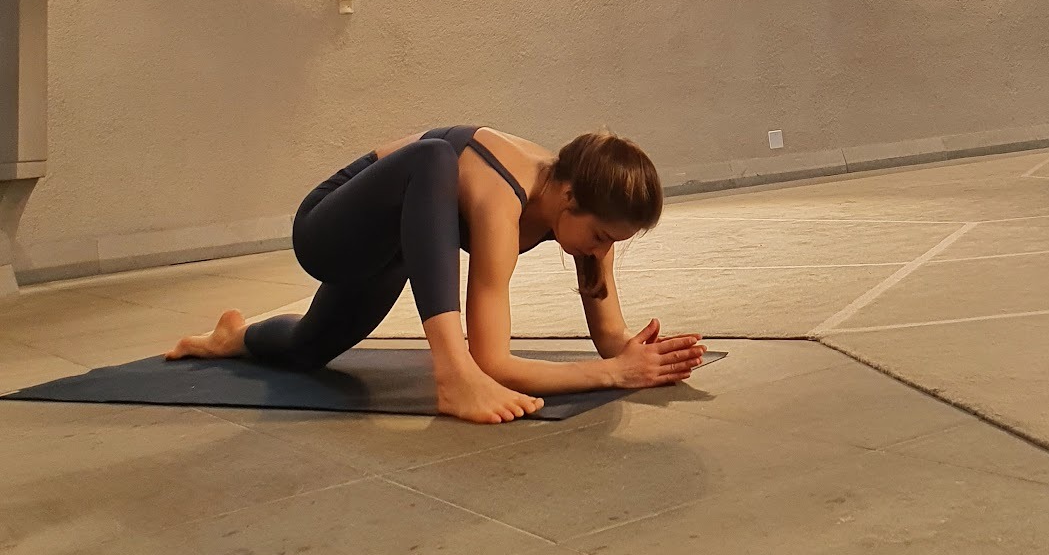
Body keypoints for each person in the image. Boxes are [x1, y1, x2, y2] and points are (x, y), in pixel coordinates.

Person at [167, 125, 705, 423]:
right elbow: (493, 362)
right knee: (434, 159)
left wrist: (643, 356)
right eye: (603, 237)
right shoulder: (504, 197)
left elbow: (611, 338)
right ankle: (449, 373)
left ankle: (232, 337)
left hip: (394, 249)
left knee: (309, 348)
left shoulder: (580, 212)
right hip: (329, 231)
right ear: (569, 198)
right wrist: (611, 375)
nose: (604, 251)